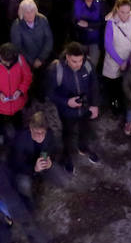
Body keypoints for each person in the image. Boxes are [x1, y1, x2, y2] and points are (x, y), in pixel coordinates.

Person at [47, 41, 101, 171]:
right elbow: (50, 93)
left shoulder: (88, 65)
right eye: (74, 61)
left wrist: (95, 105)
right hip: (66, 112)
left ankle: (83, 147)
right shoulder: (56, 69)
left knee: (85, 128)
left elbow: (94, 86)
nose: (78, 64)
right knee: (67, 133)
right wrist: (66, 102)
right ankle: (67, 156)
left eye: (80, 60)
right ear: (67, 57)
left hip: (85, 108)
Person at [9, 111, 62, 209]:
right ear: (31, 128)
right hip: (26, 168)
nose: (40, 136)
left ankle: (44, 180)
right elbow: (16, 164)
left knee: (62, 177)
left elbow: (52, 149)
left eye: (43, 132)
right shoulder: (20, 139)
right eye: (37, 132)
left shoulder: (49, 134)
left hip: (42, 162)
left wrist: (50, 161)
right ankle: (28, 203)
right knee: (24, 184)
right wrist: (34, 169)